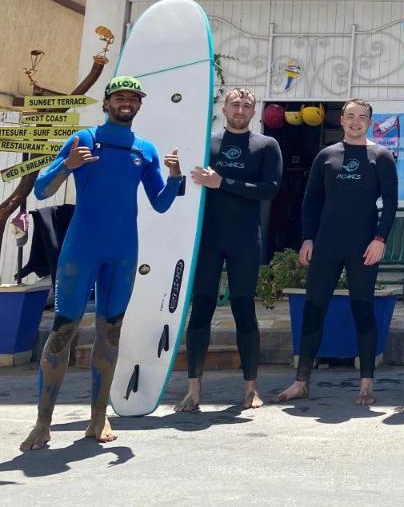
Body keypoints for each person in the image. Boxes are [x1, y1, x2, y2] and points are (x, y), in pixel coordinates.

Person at [21, 76, 182, 451]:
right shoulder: (83, 140)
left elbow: (159, 202)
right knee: (63, 329)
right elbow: (41, 188)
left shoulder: (145, 149)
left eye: (133, 98)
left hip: (123, 251)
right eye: (120, 97)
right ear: (107, 103)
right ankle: (43, 423)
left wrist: (174, 179)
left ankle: (98, 417)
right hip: (82, 249)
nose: (127, 102)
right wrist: (66, 165)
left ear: (140, 105)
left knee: (111, 331)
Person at [277, 99, 397, 407]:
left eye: (362, 117)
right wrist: (307, 239)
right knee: (314, 308)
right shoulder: (326, 156)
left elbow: (390, 204)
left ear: (370, 122)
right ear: (342, 120)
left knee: (363, 310)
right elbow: (312, 201)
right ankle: (301, 381)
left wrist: (380, 239)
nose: (356, 122)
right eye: (350, 116)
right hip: (327, 244)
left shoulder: (380, 157)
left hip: (363, 247)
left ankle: (366, 384)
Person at [176, 88, 282, 412]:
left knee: (243, 309)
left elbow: (269, 189)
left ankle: (251, 388)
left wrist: (224, 183)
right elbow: (185, 186)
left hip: (245, 239)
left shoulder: (266, 146)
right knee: (201, 310)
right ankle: (193, 390)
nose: (240, 109)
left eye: (247, 105)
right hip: (208, 238)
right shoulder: (206, 144)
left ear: (254, 112)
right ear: (224, 108)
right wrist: (173, 171)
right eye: (235, 104)